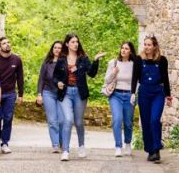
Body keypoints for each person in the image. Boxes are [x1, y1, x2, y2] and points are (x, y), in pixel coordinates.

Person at [53, 33, 106, 161]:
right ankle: (65, 150)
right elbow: (55, 76)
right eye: (72, 42)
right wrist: (58, 83)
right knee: (68, 120)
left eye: (77, 41)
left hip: (79, 93)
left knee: (78, 122)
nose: (75, 44)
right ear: (67, 44)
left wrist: (96, 60)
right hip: (65, 93)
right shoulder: (61, 59)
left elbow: (92, 74)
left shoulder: (83, 58)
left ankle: (81, 146)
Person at [131, 35, 172, 163]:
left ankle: (157, 149)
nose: (146, 47)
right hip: (144, 93)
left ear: (155, 46)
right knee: (146, 122)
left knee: (154, 120)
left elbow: (165, 78)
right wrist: (132, 93)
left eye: (149, 45)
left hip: (157, 93)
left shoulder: (162, 60)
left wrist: (168, 95)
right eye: (145, 44)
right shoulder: (139, 59)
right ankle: (150, 150)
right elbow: (135, 77)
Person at [0, 36, 24, 154]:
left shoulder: (16, 60)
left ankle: (5, 143)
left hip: (10, 93)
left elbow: (20, 77)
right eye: (4, 43)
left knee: (8, 118)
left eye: (8, 42)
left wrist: (21, 94)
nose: (7, 44)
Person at [105, 41, 138, 157]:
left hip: (129, 95)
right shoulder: (113, 63)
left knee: (128, 122)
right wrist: (113, 73)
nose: (123, 50)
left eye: (126, 49)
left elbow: (138, 81)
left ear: (130, 51)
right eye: (122, 48)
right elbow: (107, 81)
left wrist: (134, 93)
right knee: (117, 120)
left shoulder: (134, 64)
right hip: (115, 95)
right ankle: (118, 146)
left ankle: (127, 143)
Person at [36, 41, 64, 153]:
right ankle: (55, 144)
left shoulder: (65, 62)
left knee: (62, 120)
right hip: (48, 92)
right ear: (52, 49)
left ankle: (62, 141)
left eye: (59, 48)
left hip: (62, 94)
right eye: (55, 47)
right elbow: (41, 79)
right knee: (52, 120)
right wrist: (39, 94)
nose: (57, 49)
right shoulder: (47, 63)